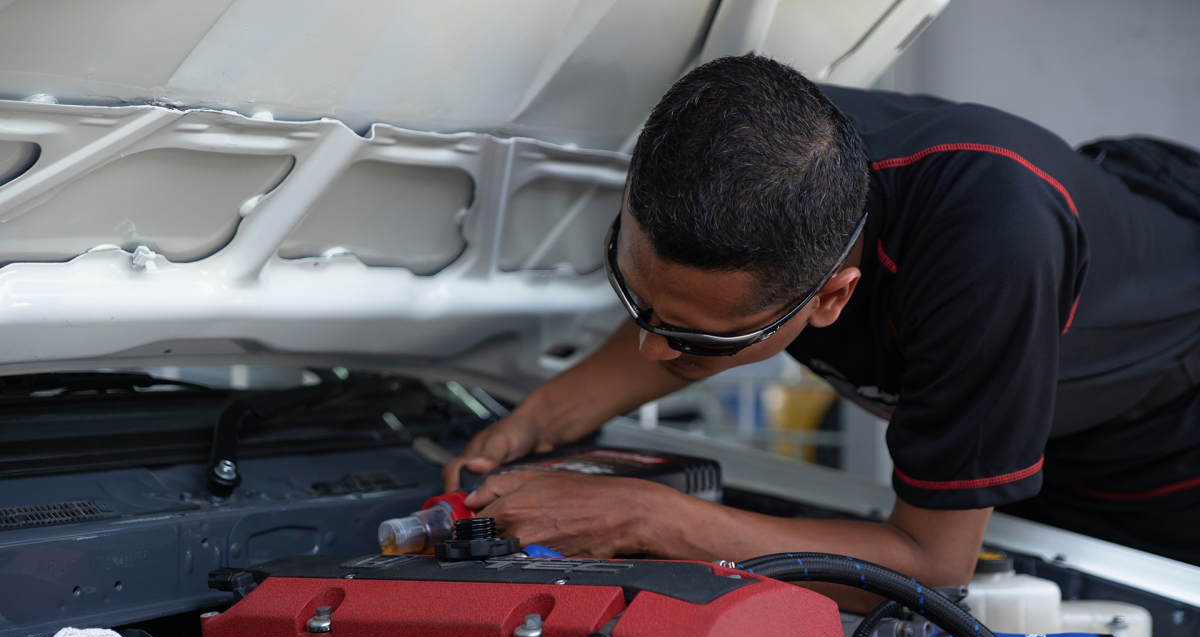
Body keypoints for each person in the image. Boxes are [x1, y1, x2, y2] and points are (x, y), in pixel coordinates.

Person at [443, 54, 1200, 597]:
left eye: (704, 341)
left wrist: (647, 517)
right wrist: (528, 424)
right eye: (635, 295)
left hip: (1157, 444)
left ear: (832, 300)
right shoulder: (759, 147)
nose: (650, 349)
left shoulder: (987, 253)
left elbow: (930, 566)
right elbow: (675, 324)